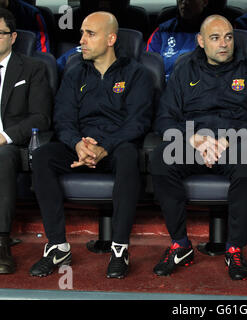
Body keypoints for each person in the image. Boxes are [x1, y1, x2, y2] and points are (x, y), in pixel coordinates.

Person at [150, 15, 247, 281]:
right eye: (215, 38)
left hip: (234, 142)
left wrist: (230, 138)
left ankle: (234, 248)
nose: (224, 44)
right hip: (193, 142)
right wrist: (193, 138)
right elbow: (164, 119)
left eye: (229, 37)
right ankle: (180, 245)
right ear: (200, 41)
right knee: (161, 159)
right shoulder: (184, 71)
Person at [29, 11, 153, 279]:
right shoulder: (74, 72)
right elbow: (62, 118)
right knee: (41, 156)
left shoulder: (137, 73)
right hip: (80, 146)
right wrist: (77, 144)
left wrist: (104, 146)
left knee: (130, 155)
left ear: (110, 39)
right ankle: (58, 247)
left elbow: (138, 122)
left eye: (90, 34)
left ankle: (119, 248)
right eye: (82, 33)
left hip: (116, 146)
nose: (82, 40)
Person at [0, 8, 52, 274]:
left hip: (10, 144)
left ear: (13, 37)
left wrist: (5, 136)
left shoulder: (33, 68)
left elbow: (41, 117)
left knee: (3, 155)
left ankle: (1, 241)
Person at [146, 0, 209, 80]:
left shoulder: (215, 32)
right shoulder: (162, 32)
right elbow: (149, 69)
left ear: (205, 2)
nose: (184, 1)